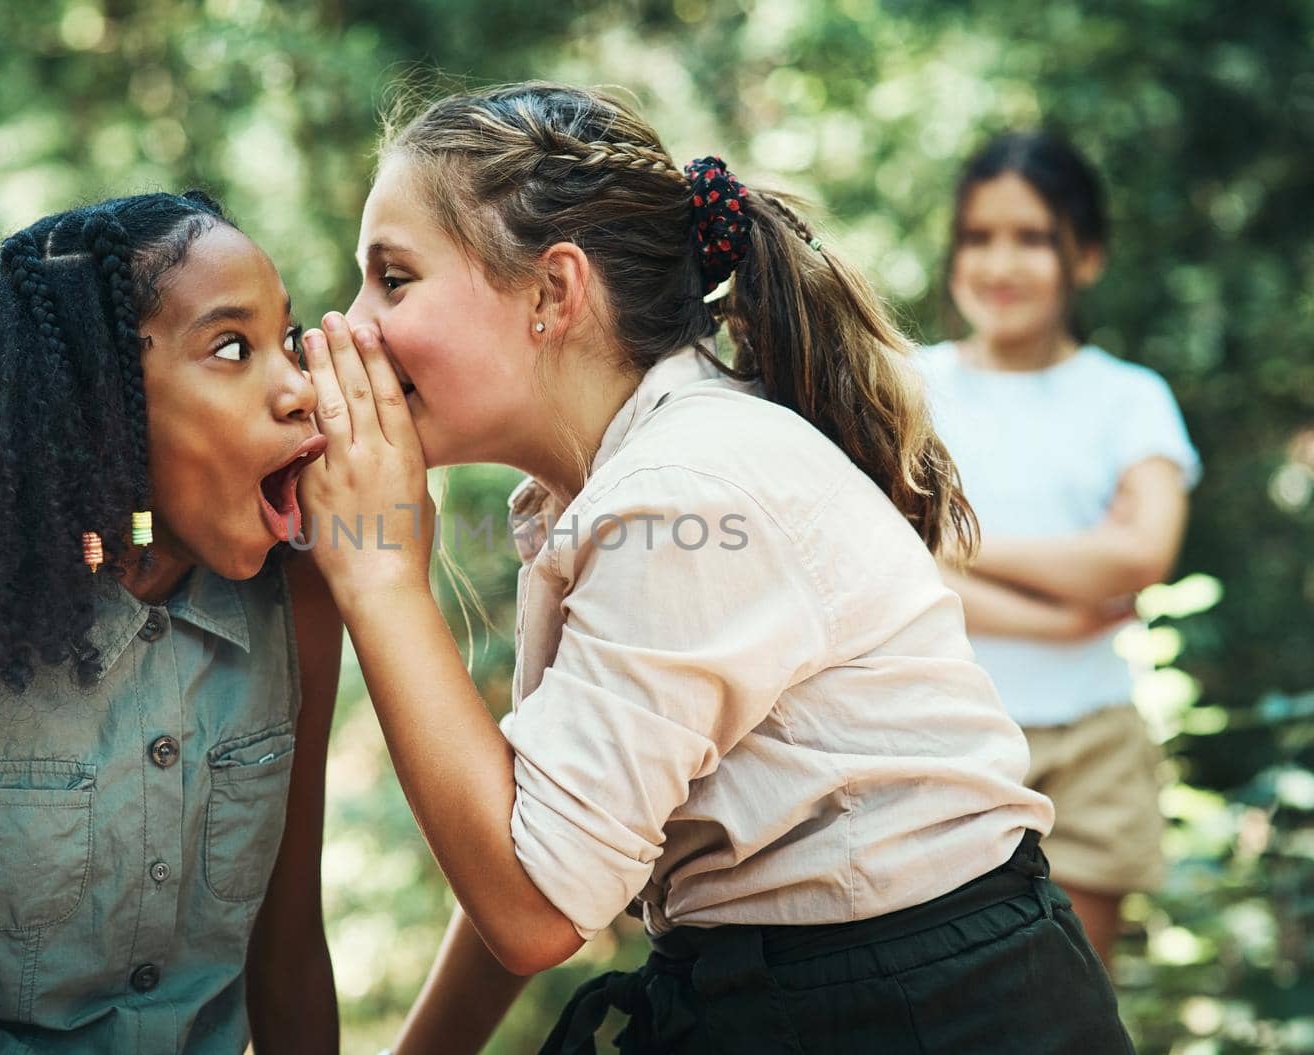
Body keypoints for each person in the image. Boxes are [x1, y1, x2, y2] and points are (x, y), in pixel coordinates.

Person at [295, 83, 1133, 1053]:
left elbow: (532, 910)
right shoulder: (605, 484)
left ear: (554, 293)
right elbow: (536, 840)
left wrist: (379, 570)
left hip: (923, 1011)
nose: (351, 326)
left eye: (392, 279)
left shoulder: (684, 486)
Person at [0, 191, 341, 1054]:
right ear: (98, 400)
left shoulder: (301, 603)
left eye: (287, 341)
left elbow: (292, 960)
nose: (298, 389)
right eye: (231, 347)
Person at [919, 131, 1199, 968]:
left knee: (1073, 999)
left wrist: (956, 540)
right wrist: (1061, 610)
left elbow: (1142, 552)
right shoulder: (906, 383)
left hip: (1091, 747)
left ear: (1089, 254)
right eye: (979, 236)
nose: (1001, 262)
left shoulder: (1128, 398)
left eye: (1033, 237)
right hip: (939, 737)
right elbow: (888, 565)